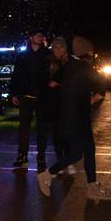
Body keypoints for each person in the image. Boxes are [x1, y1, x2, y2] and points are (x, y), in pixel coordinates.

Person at [36, 47, 111, 199]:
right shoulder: (82, 67)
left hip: (76, 116)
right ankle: (47, 174)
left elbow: (52, 84)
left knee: (89, 150)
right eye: (91, 55)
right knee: (76, 154)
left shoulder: (68, 67)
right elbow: (107, 83)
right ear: (85, 55)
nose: (93, 58)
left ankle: (92, 186)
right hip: (74, 118)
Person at [10, 31, 51, 169]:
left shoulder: (47, 55)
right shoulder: (22, 55)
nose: (41, 37)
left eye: (42, 35)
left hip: (42, 97)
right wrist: (14, 94)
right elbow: (16, 75)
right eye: (38, 35)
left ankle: (41, 157)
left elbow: (55, 72)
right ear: (31, 38)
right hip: (25, 97)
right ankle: (22, 157)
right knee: (23, 129)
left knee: (42, 129)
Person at [38, 37, 69, 169]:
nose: (59, 50)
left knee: (59, 134)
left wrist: (58, 81)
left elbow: (67, 78)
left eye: (61, 47)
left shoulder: (68, 63)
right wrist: (49, 83)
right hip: (46, 101)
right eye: (56, 47)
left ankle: (61, 159)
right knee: (43, 132)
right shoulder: (46, 61)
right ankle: (41, 157)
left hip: (61, 102)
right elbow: (42, 80)